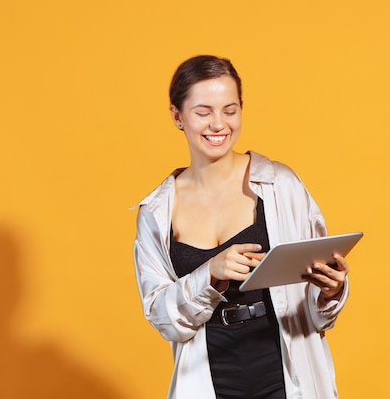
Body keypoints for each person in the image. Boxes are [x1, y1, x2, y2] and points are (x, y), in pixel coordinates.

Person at [133, 55, 350, 399]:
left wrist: (330, 292)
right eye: (203, 112)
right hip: (209, 376)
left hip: (284, 369)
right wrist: (210, 273)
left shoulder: (281, 185)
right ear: (178, 116)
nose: (218, 124)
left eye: (230, 110)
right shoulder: (157, 212)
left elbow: (317, 311)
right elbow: (162, 318)